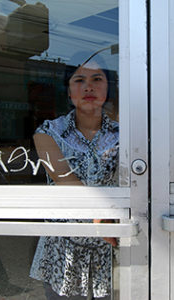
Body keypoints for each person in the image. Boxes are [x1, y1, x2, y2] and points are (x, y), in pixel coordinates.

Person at [29, 53, 118, 300]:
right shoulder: (48, 131)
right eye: (79, 80)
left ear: (108, 88)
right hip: (62, 251)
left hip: (110, 250)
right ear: (68, 91)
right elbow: (65, 181)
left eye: (97, 79)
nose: (88, 86)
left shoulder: (125, 133)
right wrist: (102, 218)